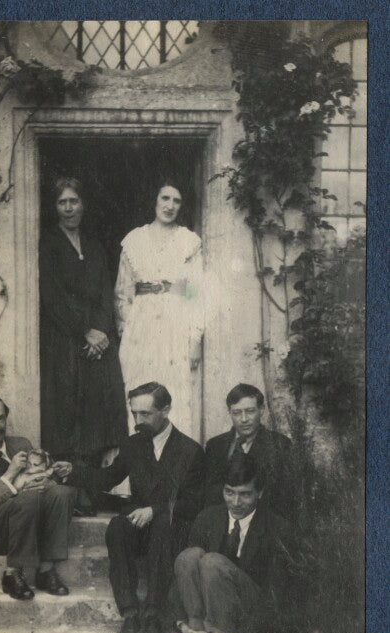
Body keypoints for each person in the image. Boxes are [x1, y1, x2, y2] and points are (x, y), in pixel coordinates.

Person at [70, 382, 205, 633]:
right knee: (117, 527)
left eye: (146, 414)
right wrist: (70, 472)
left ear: (166, 410)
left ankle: (154, 614)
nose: (138, 421)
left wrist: (156, 510)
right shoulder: (133, 444)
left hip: (172, 530)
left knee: (164, 526)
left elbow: (195, 503)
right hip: (140, 528)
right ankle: (130, 614)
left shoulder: (190, 451)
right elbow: (108, 477)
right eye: (134, 414)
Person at [174, 453, 289, 633]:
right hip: (206, 613)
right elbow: (182, 580)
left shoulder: (277, 529)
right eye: (229, 492)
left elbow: (275, 597)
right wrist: (184, 627)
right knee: (189, 556)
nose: (235, 502)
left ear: (260, 492)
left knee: (212, 562)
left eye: (245, 494)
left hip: (247, 610)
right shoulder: (207, 518)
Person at [39, 177, 127, 463]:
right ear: (54, 207)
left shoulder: (94, 245)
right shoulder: (48, 243)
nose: (68, 208)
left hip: (98, 340)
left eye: (73, 201)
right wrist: (84, 331)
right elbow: (51, 295)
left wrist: (101, 330)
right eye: (62, 202)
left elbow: (105, 290)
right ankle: (71, 484)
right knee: (67, 406)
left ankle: (95, 481)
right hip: (66, 337)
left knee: (98, 407)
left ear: (83, 204)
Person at [114, 181, 204, 437]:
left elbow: (196, 293)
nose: (170, 205)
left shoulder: (188, 242)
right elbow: (122, 292)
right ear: (154, 201)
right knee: (140, 391)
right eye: (165, 198)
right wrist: (127, 330)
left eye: (176, 201)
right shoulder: (134, 240)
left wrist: (194, 338)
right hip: (140, 328)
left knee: (174, 392)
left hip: (175, 324)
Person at [0, 394, 76, 600]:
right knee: (28, 499)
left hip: (29, 522)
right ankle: (12, 573)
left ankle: (45, 570)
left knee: (62, 493)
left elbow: (42, 481)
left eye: (1, 418)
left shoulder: (21, 444)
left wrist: (54, 474)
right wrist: (10, 476)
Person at [205, 383, 294, 519]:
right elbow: (210, 495)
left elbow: (284, 499)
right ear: (229, 412)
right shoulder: (215, 446)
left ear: (262, 409)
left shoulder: (280, 446)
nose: (244, 419)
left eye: (250, 411)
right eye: (237, 413)